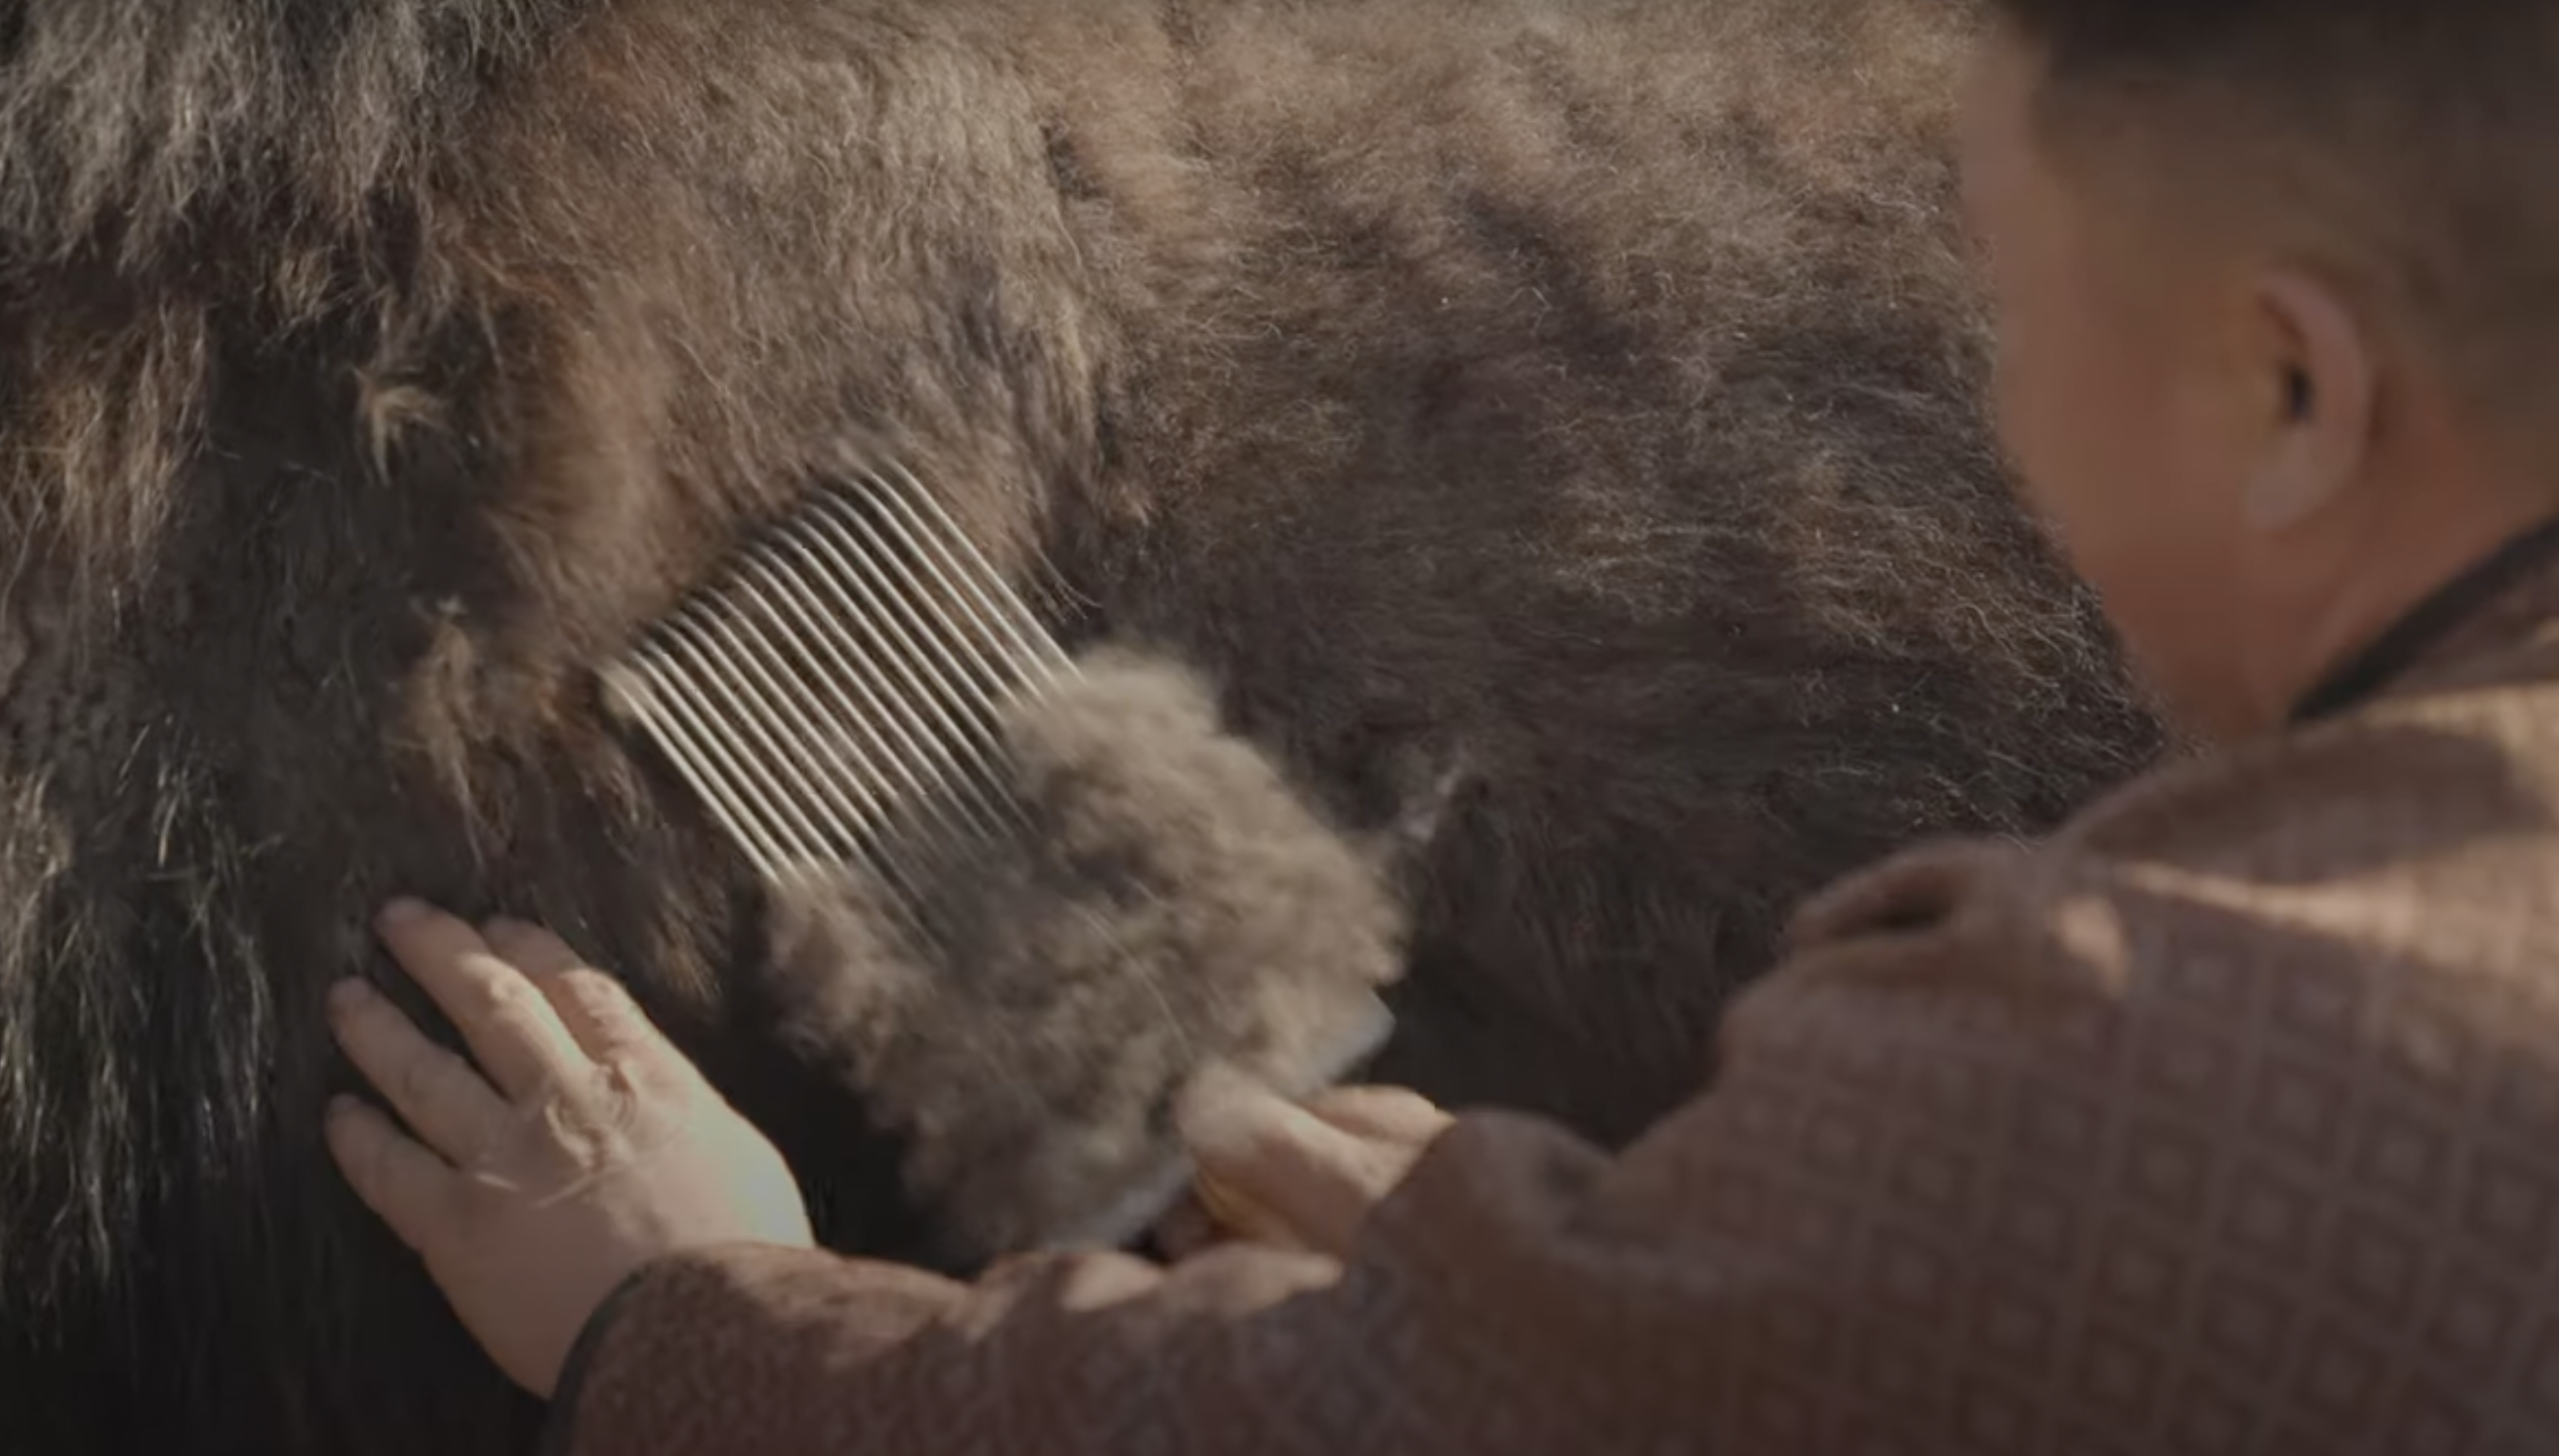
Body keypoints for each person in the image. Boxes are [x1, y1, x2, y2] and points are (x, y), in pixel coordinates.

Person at [323, 0, 2559, 1449]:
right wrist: (1632, 1287)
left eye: (2023, 310)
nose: (2007, 414)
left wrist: (681, 1316)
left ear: (2295, 391)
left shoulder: (2137, 1045)